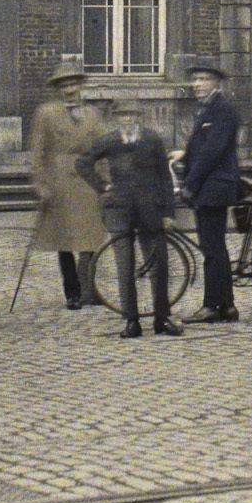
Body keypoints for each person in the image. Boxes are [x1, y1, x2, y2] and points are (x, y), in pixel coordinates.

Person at [77, 99, 182, 338]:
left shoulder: (152, 140)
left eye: (132, 115)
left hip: (150, 210)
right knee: (125, 267)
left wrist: (168, 213)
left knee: (159, 266)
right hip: (120, 210)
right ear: (116, 118)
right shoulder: (110, 140)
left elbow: (165, 178)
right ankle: (131, 321)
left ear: (139, 117)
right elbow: (83, 163)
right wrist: (102, 186)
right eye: (123, 115)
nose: (128, 119)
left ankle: (161, 319)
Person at [29, 59, 113, 311]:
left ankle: (88, 287)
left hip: (87, 182)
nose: (70, 90)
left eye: (74, 84)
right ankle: (72, 292)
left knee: (90, 238)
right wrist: (41, 184)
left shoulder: (93, 114)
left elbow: (104, 148)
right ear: (58, 89)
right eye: (64, 85)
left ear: (80, 86)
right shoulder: (45, 113)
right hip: (59, 181)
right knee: (63, 240)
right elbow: (38, 153)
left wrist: (105, 181)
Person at [176, 59, 242, 326]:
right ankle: (226, 306)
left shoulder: (221, 110)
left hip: (215, 187)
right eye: (195, 80)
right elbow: (203, 147)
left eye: (203, 79)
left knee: (212, 249)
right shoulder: (208, 110)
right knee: (215, 248)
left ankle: (212, 306)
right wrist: (184, 155)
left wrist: (190, 184)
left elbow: (212, 152)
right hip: (211, 185)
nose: (197, 85)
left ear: (217, 82)